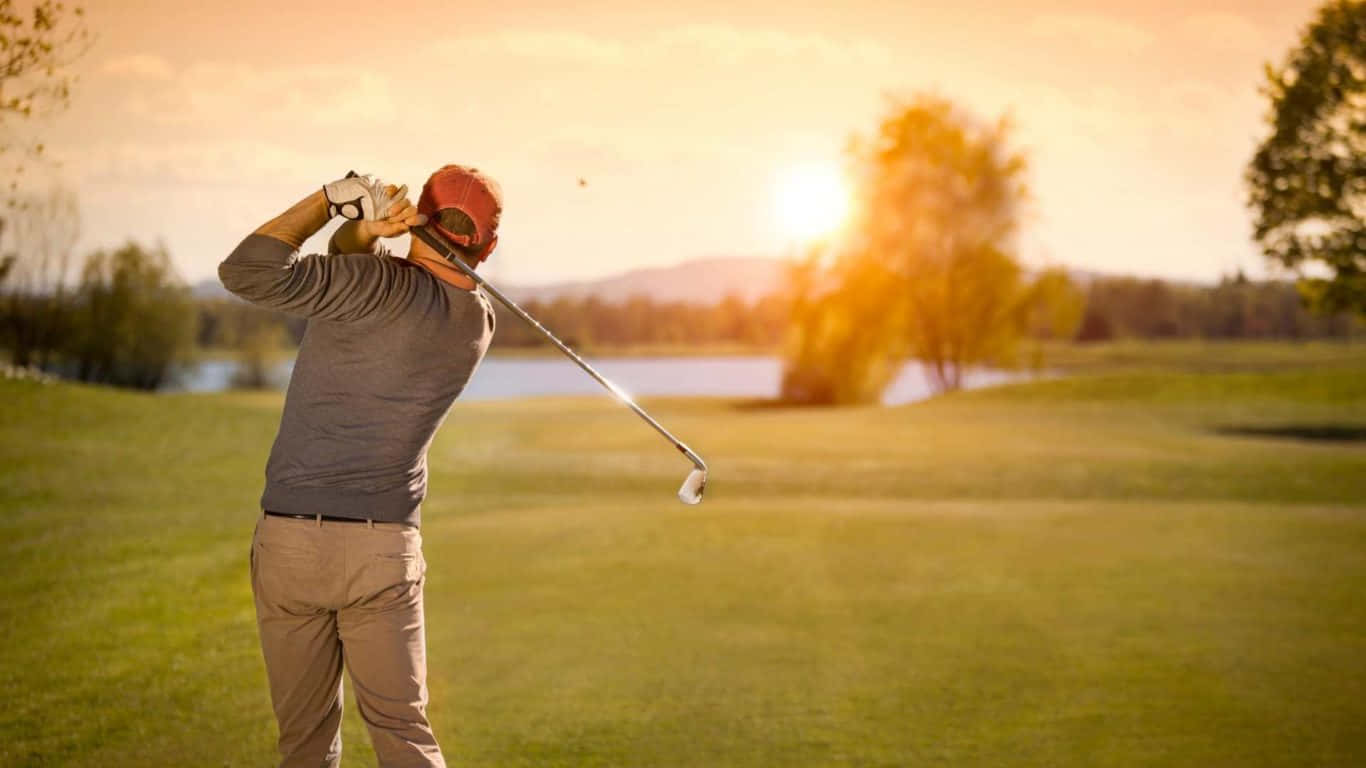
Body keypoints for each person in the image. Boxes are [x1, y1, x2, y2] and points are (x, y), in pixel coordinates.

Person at [218, 164, 503, 768]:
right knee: (405, 736)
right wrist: (361, 236)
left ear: (418, 217)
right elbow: (368, 271)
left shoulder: (367, 283)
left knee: (305, 745)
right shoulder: (477, 321)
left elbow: (244, 270)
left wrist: (329, 204)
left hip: (291, 542)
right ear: (490, 245)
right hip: (384, 554)